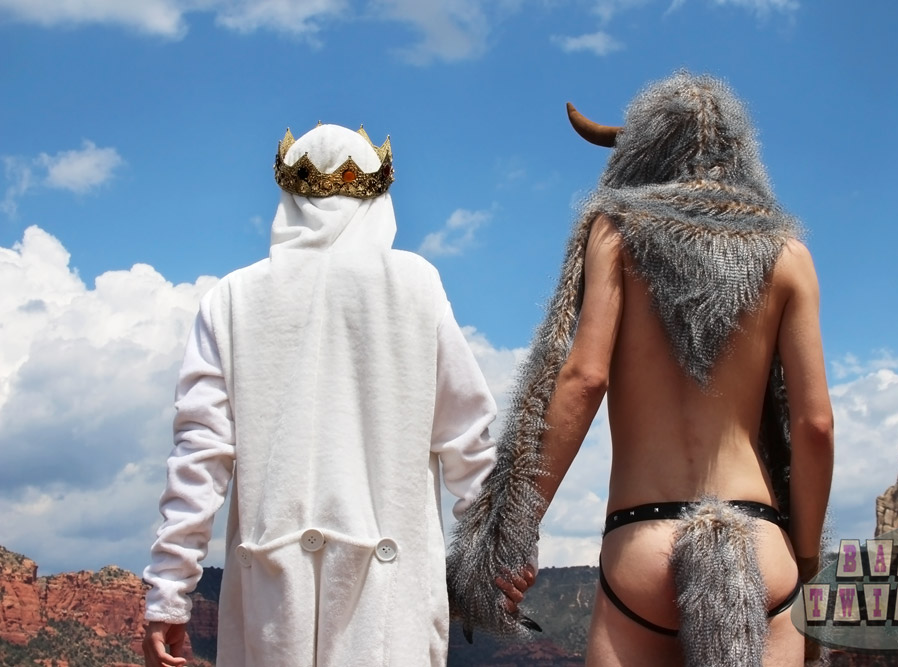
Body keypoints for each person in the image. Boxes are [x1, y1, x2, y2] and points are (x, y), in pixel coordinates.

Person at [448, 72, 834, 666]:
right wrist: (804, 560)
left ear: (644, 150)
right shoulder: (789, 254)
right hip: (762, 542)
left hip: (642, 540)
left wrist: (509, 535)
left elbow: (584, 379)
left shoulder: (616, 232)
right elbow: (814, 426)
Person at [142, 123, 498, 667]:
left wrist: (169, 592)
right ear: (378, 198)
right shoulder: (415, 284)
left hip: (269, 592)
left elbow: (199, 456)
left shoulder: (231, 299)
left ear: (289, 197)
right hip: (389, 597)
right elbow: (467, 437)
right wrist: (499, 558)